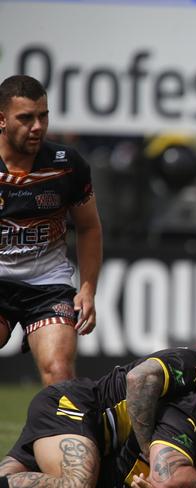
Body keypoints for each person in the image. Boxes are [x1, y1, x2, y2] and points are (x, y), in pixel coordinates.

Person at [0, 333, 196, 488]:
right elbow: (139, 377)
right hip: (79, 408)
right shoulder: (193, 370)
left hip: (105, 444)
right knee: (78, 484)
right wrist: (149, 453)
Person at [0, 74, 103, 386]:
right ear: (1, 120)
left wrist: (87, 289)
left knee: (59, 373)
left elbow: (88, 227)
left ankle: (56, 435)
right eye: (26, 118)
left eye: (43, 116)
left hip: (48, 284)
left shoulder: (67, 163)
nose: (37, 127)